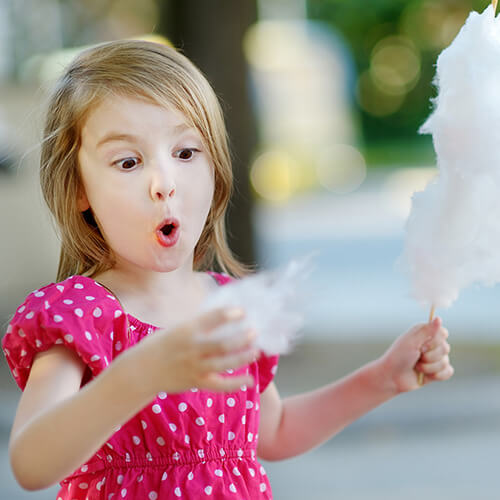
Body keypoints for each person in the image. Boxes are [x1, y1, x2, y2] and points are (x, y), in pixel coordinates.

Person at [1, 39, 453, 500]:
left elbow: (273, 431)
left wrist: (381, 378)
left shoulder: (228, 307)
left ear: (214, 167)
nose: (164, 184)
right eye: (129, 162)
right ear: (80, 191)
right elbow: (31, 462)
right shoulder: (80, 315)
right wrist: (138, 375)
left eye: (185, 153)